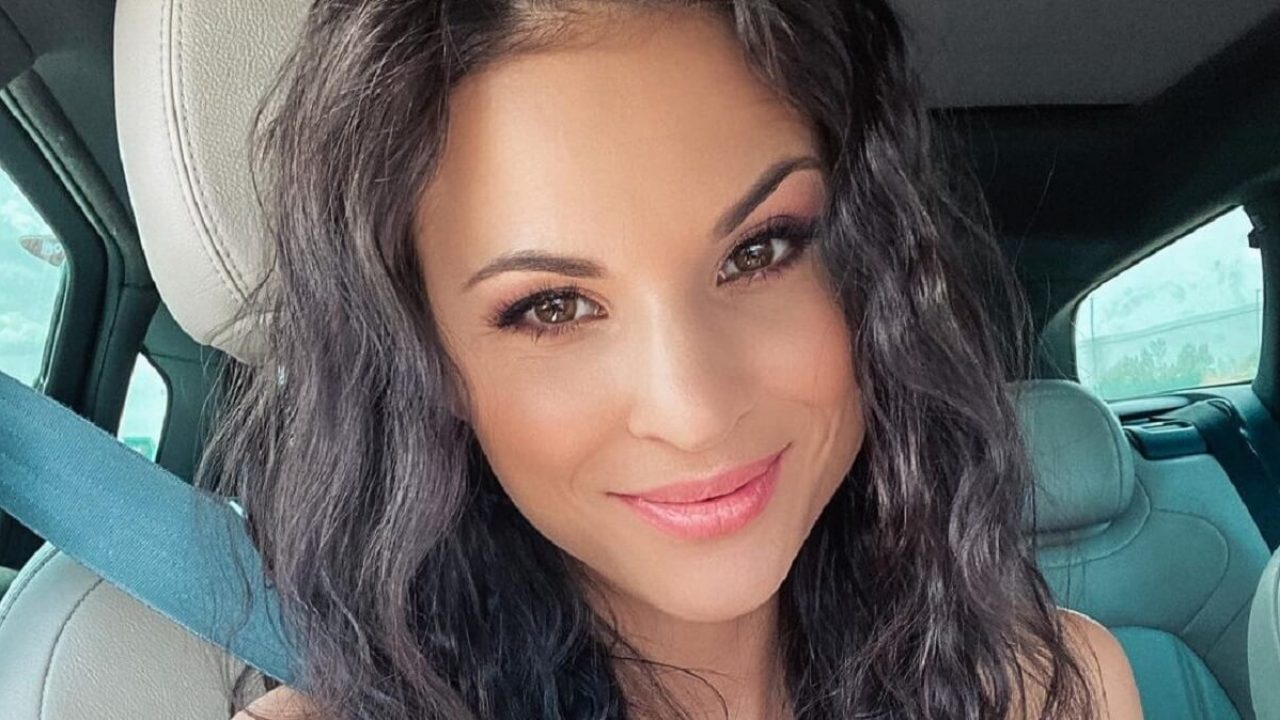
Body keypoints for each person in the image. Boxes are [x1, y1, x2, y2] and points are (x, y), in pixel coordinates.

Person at [207, 1, 1143, 718]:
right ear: (431, 363)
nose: (693, 409)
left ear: (874, 268)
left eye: (761, 251)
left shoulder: (1050, 693)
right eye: (552, 307)